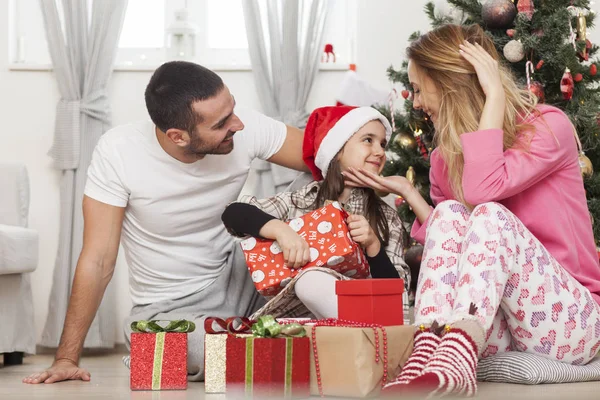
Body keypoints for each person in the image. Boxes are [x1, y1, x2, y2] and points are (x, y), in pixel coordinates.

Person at [343, 24, 600, 397]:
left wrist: (493, 94)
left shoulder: (546, 127)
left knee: (489, 214)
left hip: (572, 324)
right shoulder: (445, 159)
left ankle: (456, 349)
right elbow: (456, 250)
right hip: (494, 327)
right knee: (448, 216)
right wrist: (411, 196)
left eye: (418, 88)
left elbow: (484, 193)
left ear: (448, 82)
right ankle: (429, 349)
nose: (414, 102)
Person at [23, 61, 309, 384]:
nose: (238, 125)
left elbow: (321, 155)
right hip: (171, 309)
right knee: (217, 352)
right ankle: (263, 338)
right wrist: (65, 358)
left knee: (321, 180)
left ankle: (291, 331)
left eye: (233, 110)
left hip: (242, 275)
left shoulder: (241, 126)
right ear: (178, 136)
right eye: (221, 123)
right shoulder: (118, 152)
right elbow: (98, 260)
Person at [221, 106, 410, 320]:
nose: (380, 151)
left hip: (369, 322)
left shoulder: (386, 217)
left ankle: (362, 332)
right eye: (368, 140)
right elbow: (233, 213)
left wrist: (374, 246)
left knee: (310, 280)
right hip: (300, 326)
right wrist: (281, 231)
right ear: (337, 150)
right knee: (308, 281)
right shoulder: (303, 200)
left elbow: (397, 301)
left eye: (383, 144)